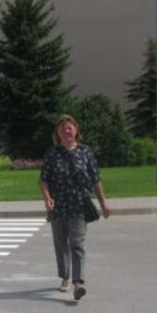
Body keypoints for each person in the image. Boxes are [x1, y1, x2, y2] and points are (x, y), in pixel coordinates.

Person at [39, 115, 111, 301]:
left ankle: (78, 282)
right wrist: (47, 198)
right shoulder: (52, 153)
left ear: (76, 131)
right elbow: (44, 180)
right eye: (62, 129)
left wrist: (103, 203)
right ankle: (65, 278)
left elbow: (96, 180)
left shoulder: (85, 152)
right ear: (58, 133)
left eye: (69, 128)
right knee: (61, 244)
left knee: (77, 244)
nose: (66, 131)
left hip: (79, 206)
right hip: (58, 207)